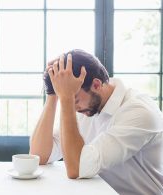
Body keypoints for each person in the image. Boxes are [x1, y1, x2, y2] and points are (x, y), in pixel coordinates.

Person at [30, 49, 163, 194]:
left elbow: (77, 168)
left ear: (97, 85)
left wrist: (67, 98)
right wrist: (53, 93)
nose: (73, 109)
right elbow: (39, 155)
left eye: (75, 100)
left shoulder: (139, 112)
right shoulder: (86, 107)